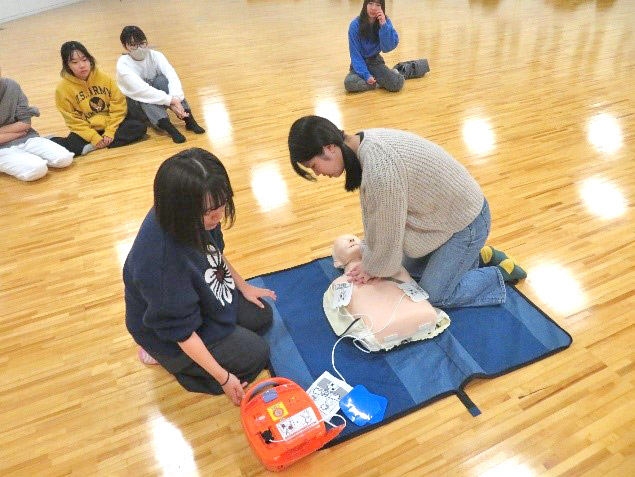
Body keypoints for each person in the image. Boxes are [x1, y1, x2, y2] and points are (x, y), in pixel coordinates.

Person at [288, 115, 527, 309]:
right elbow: (378, 217)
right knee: (405, 268)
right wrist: (373, 257)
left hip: (467, 223)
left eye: (313, 166)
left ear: (329, 148)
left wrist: (372, 266)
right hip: (442, 219)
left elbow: (388, 231)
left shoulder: (379, 168)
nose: (318, 173)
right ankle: (475, 257)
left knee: (434, 296)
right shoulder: (359, 144)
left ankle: (497, 273)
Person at [124, 147, 276, 406]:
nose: (217, 217)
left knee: (261, 315)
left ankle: (224, 341)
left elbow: (213, 254)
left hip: (197, 301)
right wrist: (224, 379)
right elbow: (181, 332)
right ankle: (165, 359)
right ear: (182, 208)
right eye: (208, 212)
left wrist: (243, 286)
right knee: (256, 355)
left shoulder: (189, 216)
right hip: (169, 336)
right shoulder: (161, 263)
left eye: (221, 205)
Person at [324, 234, 449, 352]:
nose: (351, 240)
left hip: (421, 316)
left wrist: (375, 266)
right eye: (344, 240)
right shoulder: (339, 284)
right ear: (337, 262)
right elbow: (338, 316)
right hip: (380, 330)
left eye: (355, 238)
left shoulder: (392, 266)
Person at [50, 41, 147, 156]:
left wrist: (110, 131)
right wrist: (93, 137)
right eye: (75, 62)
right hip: (88, 129)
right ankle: (99, 143)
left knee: (139, 127)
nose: (82, 65)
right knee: (71, 146)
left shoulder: (104, 78)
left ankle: (95, 145)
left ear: (90, 59)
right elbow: (73, 120)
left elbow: (118, 104)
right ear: (67, 65)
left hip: (111, 124)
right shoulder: (62, 90)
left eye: (84, 60)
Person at [116, 26, 205, 144]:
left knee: (162, 80)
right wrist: (171, 102)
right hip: (136, 104)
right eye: (134, 45)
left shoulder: (155, 55)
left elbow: (171, 75)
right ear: (125, 47)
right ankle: (169, 127)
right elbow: (142, 91)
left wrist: (176, 99)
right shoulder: (123, 65)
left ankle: (188, 119)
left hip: (157, 95)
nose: (140, 49)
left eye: (142, 43)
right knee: (145, 98)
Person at [0, 69, 73, 181]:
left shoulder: (11, 86)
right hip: (3, 148)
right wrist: (18, 133)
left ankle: (30, 154)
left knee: (65, 158)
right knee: (37, 169)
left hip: (26, 137)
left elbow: (25, 123)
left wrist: (20, 132)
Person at [344, 1, 430, 93]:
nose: (373, 8)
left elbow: (388, 48)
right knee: (349, 83)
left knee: (396, 84)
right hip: (359, 64)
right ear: (365, 4)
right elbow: (355, 55)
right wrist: (366, 75)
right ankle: (381, 81)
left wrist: (383, 26)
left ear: (382, 7)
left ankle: (401, 70)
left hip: (375, 62)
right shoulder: (355, 25)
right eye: (370, 3)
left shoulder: (385, 22)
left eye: (378, 5)